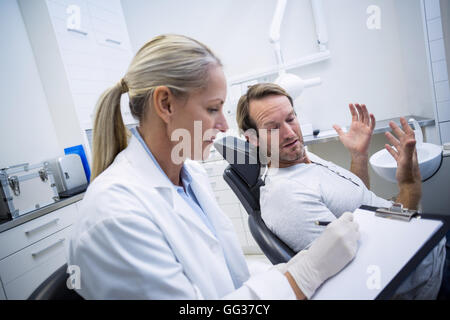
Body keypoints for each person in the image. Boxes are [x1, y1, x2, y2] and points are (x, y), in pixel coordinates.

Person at [67, 34, 361, 300]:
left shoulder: (190, 176)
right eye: (212, 109)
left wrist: (291, 270)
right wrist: (303, 276)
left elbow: (228, 275)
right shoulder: (114, 214)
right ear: (166, 104)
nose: (222, 125)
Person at [235, 83, 446, 299]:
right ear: (252, 139)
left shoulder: (301, 157)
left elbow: (356, 209)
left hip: (430, 247)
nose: (290, 134)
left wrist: (358, 156)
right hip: (428, 274)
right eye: (272, 128)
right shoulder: (286, 196)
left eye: (290, 119)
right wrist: (409, 187)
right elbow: (362, 271)